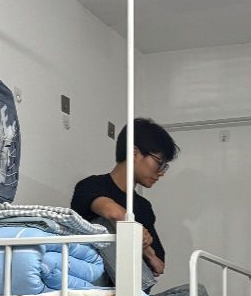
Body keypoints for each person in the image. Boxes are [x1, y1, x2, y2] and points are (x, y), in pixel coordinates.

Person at [70, 118, 179, 287]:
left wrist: (147, 247)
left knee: (197, 292)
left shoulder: (143, 206)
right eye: (159, 163)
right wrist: (145, 248)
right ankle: (137, 295)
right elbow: (114, 214)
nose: (161, 172)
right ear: (134, 153)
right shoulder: (91, 186)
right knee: (104, 224)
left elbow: (159, 264)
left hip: (140, 287)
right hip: (99, 286)